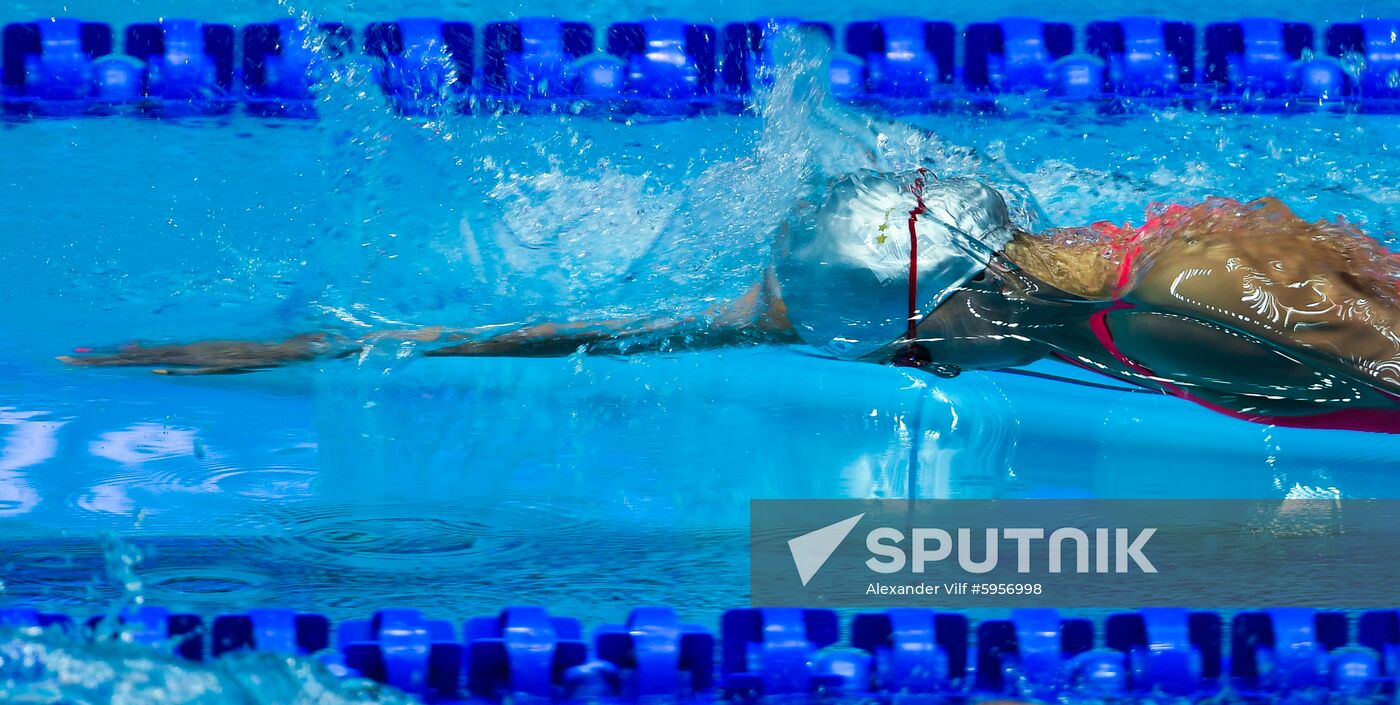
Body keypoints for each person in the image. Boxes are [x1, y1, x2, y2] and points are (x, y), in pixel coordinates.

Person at [59, 169, 1400, 433]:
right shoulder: (988, 278)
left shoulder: (1208, 303)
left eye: (912, 349)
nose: (915, 376)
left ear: (962, 305)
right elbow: (654, 323)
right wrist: (309, 349)